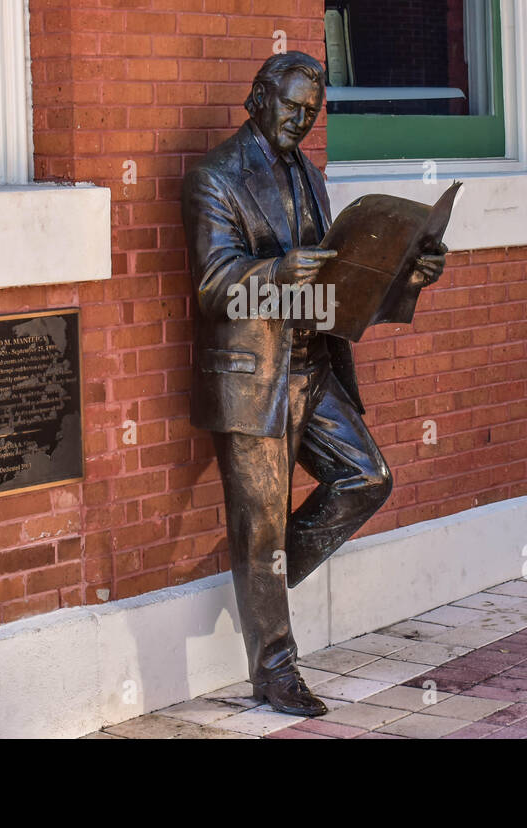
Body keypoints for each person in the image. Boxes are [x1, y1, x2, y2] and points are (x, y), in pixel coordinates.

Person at [181, 51, 447, 716]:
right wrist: (276, 272)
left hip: (315, 363)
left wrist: (407, 273)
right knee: (261, 528)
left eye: (312, 112)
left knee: (366, 478)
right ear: (259, 97)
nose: (302, 122)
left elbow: (342, 282)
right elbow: (215, 286)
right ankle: (275, 671)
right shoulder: (214, 178)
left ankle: (257, 571)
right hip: (252, 376)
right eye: (292, 107)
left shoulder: (312, 174)